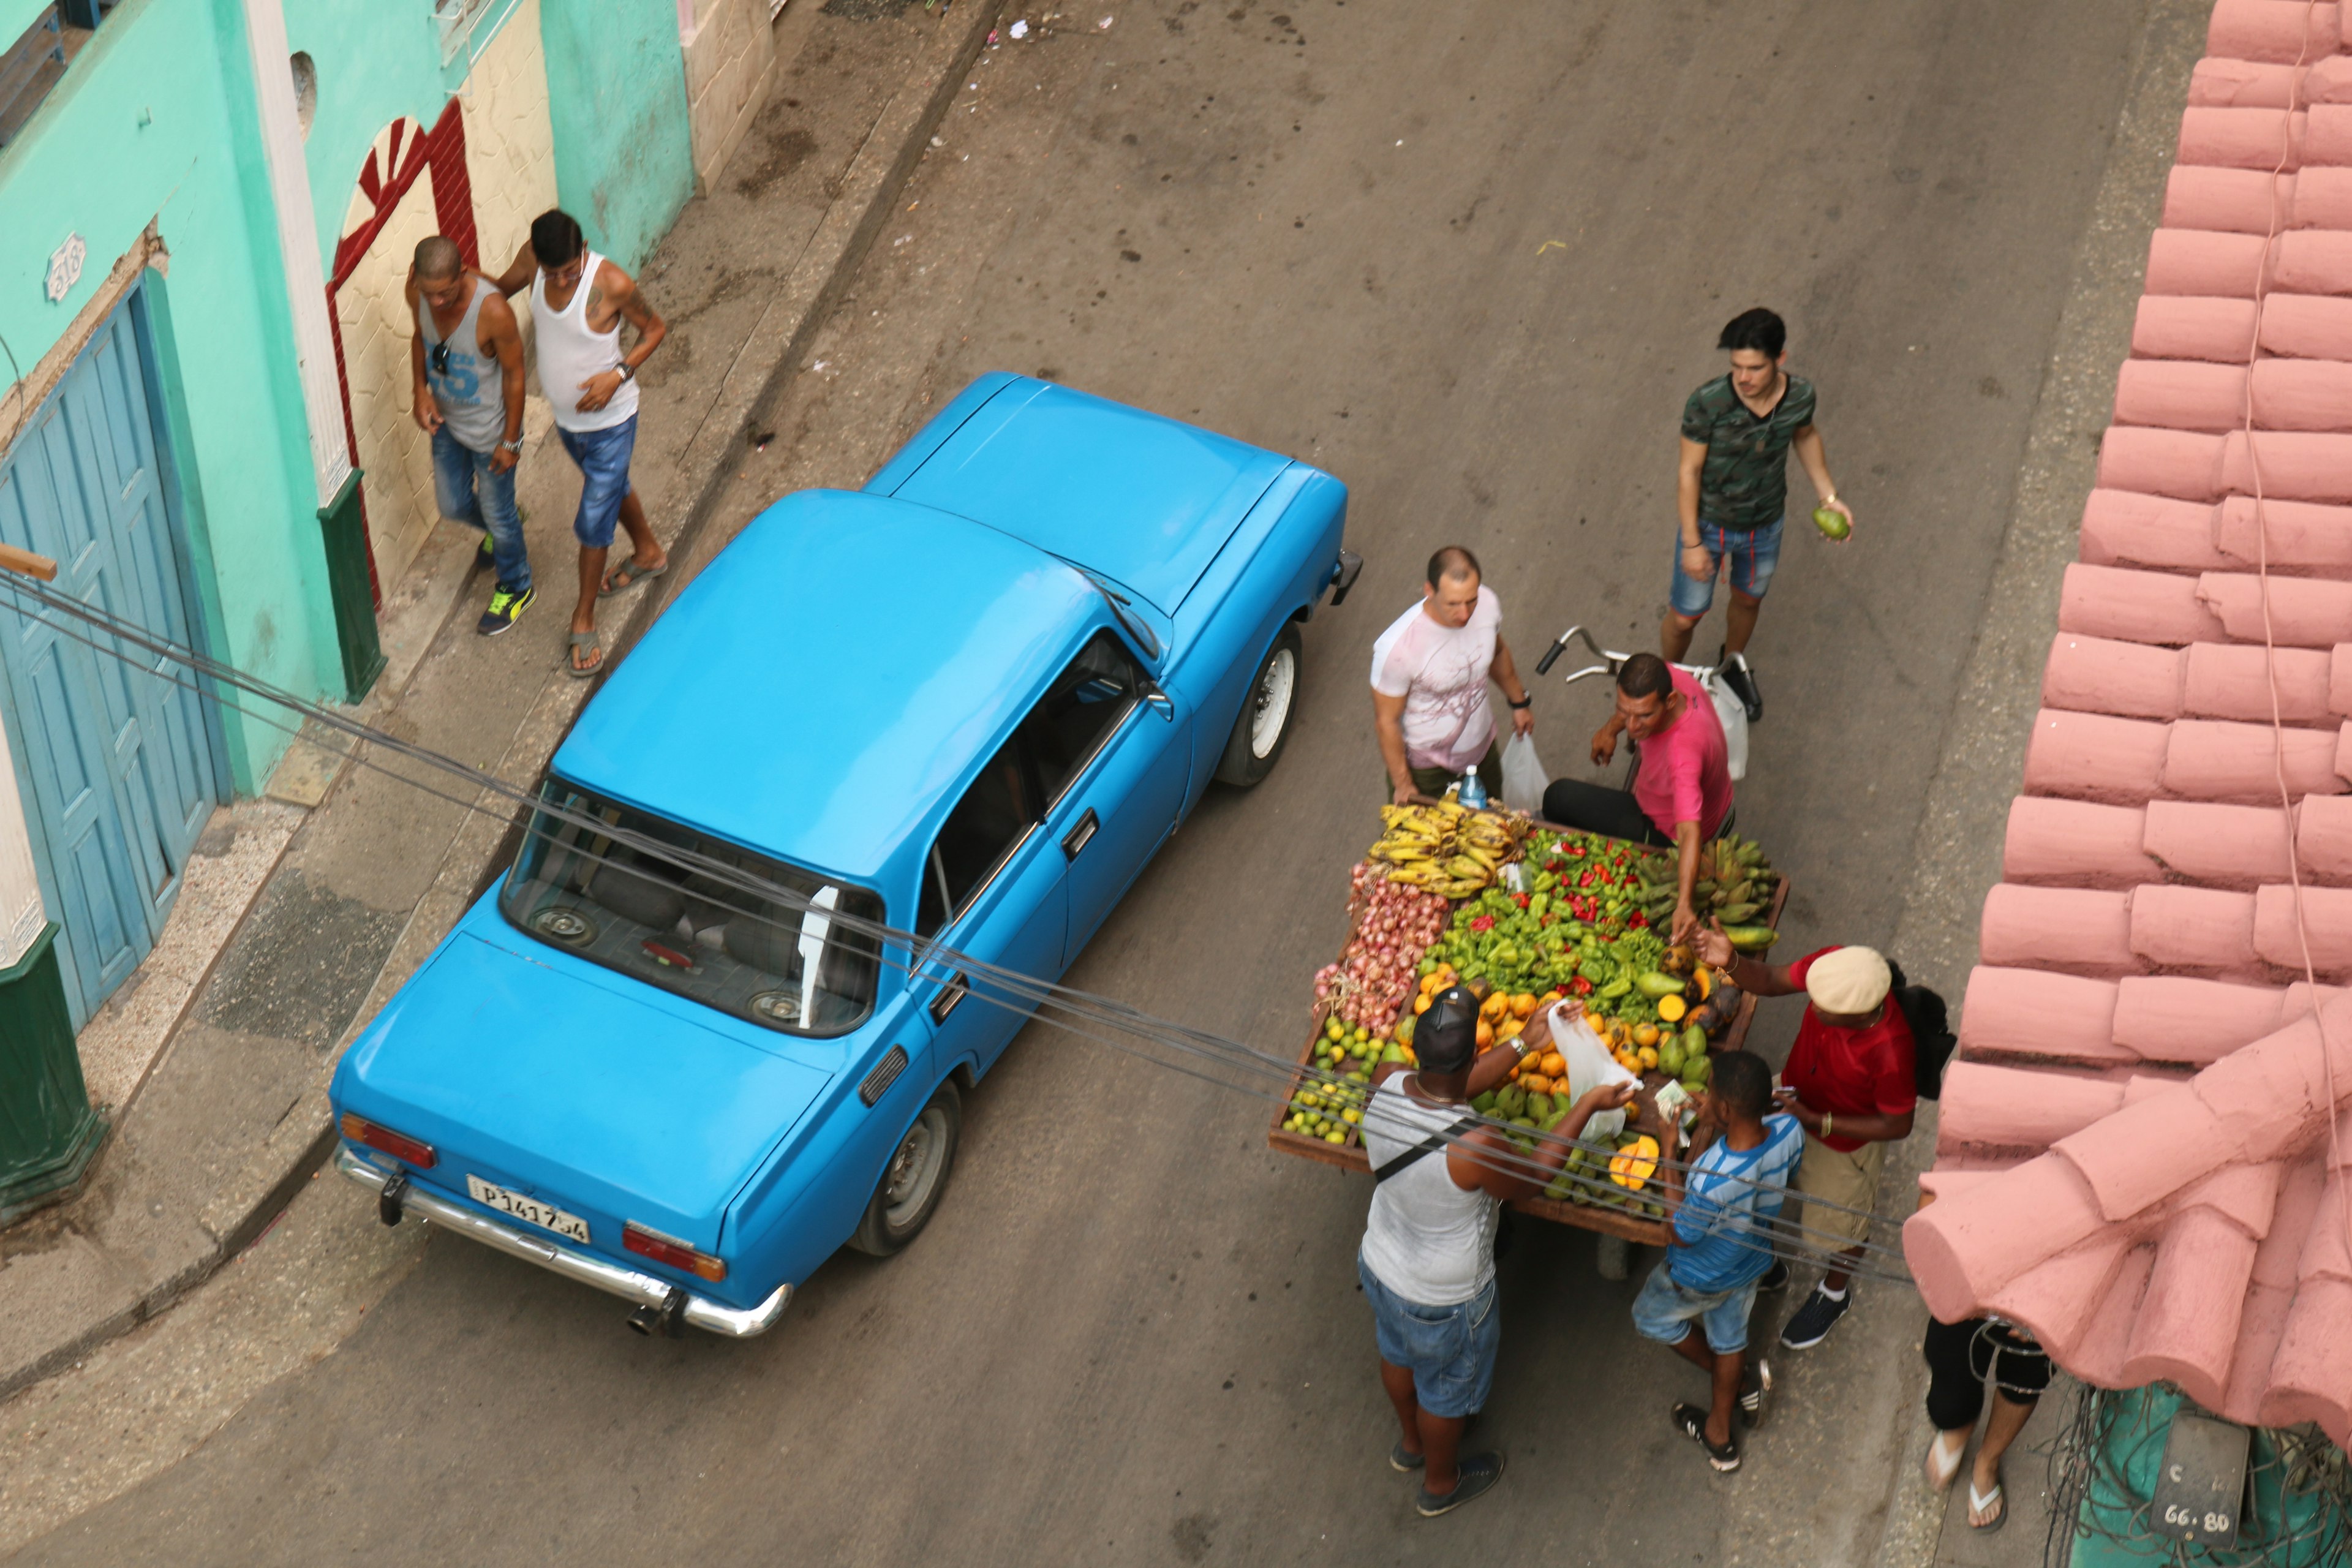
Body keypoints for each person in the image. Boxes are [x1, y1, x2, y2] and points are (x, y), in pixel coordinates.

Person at [1357, 990, 1635, 1517]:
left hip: (1381, 1261)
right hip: (1444, 1295)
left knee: (1397, 1352)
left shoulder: (1387, 1077)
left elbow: (1455, 1084)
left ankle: (1411, 1446)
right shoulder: (1474, 1145)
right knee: (1445, 1392)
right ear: (1468, 1057)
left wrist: (1525, 1042)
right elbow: (1531, 1181)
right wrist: (1586, 1105)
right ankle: (1441, 1485)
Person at [1694, 929, 1915, 1350]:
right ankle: (1765, 1264)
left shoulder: (1891, 1050)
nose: (1812, 1006)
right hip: (1791, 1098)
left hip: (1841, 1137)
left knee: (1839, 1229)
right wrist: (1733, 961)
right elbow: (1776, 980)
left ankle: (1835, 1293)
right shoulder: (1833, 966)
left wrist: (1819, 1121)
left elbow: (1896, 1125)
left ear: (1859, 1014)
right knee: (1750, 1180)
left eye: (1824, 1009)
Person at [494, 209, 669, 678]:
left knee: (593, 520)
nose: (563, 280)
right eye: (554, 274)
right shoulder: (532, 263)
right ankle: (649, 553)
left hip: (613, 420)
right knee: (611, 489)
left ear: (585, 250)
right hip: (570, 423)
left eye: (571, 270)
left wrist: (618, 375)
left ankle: (583, 617)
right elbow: (496, 291)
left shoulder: (610, 282)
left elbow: (655, 329)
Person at [1665, 307, 1853, 722]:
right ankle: (1667, 680)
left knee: (1748, 600)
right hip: (1709, 525)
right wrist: (1693, 542)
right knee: (1684, 617)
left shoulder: (1800, 395)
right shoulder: (1708, 402)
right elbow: (1688, 471)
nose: (1743, 378)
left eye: (1754, 368)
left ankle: (1731, 667)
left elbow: (1805, 435)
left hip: (1765, 525)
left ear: (1779, 359)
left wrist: (1828, 497)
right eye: (1736, 367)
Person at [1634, 1048, 1803, 1472]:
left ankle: (1738, 1383)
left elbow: (1683, 1234)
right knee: (1730, 1339)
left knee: (1650, 1318)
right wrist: (1715, 1116)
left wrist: (1669, 1155)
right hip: (1749, 1260)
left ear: (1726, 1107)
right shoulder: (1789, 1128)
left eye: (1710, 1096)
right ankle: (1719, 1434)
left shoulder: (1712, 1175)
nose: (1704, 1099)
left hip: (1700, 1274)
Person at [1540, 652, 1732, 943]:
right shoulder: (1670, 677)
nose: (1631, 727)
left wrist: (1684, 904)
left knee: (1559, 798)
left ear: (1669, 702)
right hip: (1689, 797)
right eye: (1624, 712)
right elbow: (1631, 712)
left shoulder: (1684, 754)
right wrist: (1609, 730)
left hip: (1668, 832)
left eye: (1644, 716)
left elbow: (1688, 831)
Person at [407, 236, 530, 636]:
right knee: (454, 505)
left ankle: (516, 586)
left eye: (446, 293)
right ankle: (506, 527)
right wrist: (420, 389)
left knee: (498, 512)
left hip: (490, 431)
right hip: (446, 422)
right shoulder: (418, 293)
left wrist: (510, 441)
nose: (437, 303)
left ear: (462, 274)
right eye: (430, 294)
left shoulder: (492, 311)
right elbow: (419, 338)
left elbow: (515, 374)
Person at [1370, 546, 1535, 807]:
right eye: (1453, 604)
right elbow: (1386, 721)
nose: (1465, 614)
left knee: (1495, 830)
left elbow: (1497, 651)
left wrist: (1519, 702)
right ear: (1429, 591)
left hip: (1482, 752)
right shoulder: (1399, 648)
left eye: (1472, 600)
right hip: (1427, 770)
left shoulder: (1489, 603)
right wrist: (1403, 784)